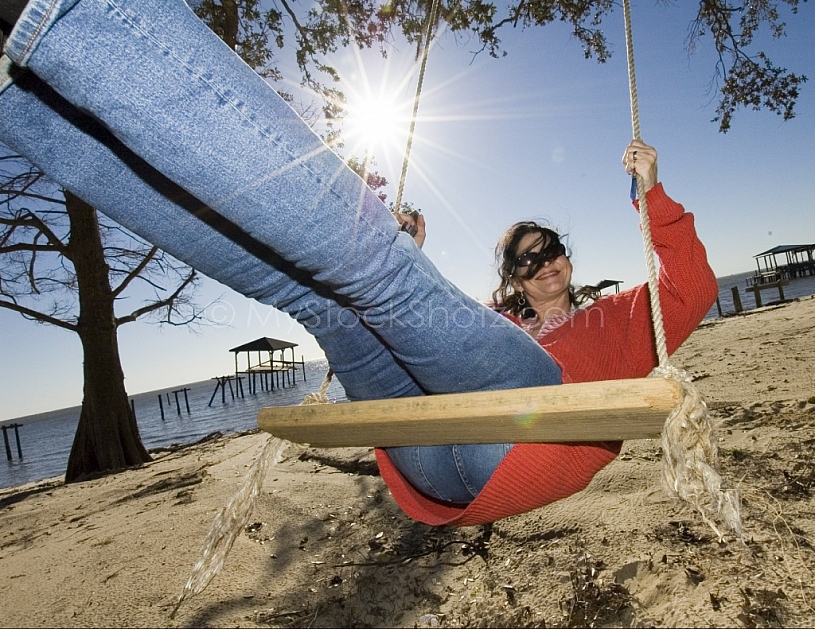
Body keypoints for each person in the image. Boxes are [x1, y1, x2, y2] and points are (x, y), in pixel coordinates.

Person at [0, 0, 716, 526]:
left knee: (373, 268)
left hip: (527, 440)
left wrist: (651, 196)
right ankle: (21, 102)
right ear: (513, 280)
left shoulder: (622, 318)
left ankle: (77, 20)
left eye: (550, 249)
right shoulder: (499, 326)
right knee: (319, 298)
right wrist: (413, 257)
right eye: (526, 260)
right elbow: (430, 331)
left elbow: (693, 286)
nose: (543, 263)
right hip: (425, 454)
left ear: (567, 256)